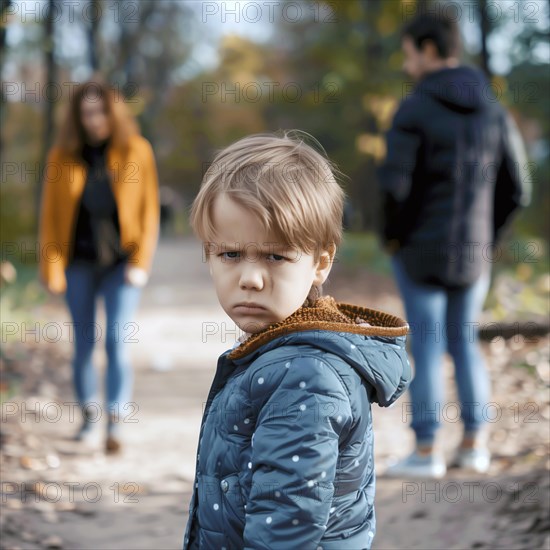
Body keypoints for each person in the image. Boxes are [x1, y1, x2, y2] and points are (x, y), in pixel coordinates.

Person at [182, 131, 411, 549]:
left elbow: (287, 526)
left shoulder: (305, 375)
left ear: (320, 263)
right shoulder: (277, 355)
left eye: (275, 256)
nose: (250, 278)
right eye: (230, 254)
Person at [378, 14, 531, 478]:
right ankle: (474, 445)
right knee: (463, 341)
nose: (407, 66)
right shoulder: (492, 109)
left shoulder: (413, 108)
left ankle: (426, 453)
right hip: (472, 253)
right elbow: (518, 189)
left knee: (425, 343)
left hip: (420, 251)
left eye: (408, 54)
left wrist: (393, 236)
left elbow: (393, 188)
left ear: (427, 50)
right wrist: (490, 236)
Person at [38, 79, 160, 453]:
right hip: (78, 264)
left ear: (114, 111)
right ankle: (90, 418)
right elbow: (50, 218)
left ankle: (116, 420)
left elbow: (149, 210)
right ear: (77, 116)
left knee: (117, 341)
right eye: (86, 113)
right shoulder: (62, 156)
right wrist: (51, 268)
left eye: (101, 111)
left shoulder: (136, 151)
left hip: (122, 265)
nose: (94, 120)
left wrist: (141, 262)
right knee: (83, 345)